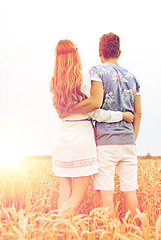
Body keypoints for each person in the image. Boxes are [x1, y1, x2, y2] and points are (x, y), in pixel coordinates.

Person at [50, 39, 134, 214]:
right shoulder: (85, 79)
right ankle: (56, 226)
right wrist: (122, 115)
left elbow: (62, 112)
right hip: (81, 139)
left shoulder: (54, 82)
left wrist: (70, 109)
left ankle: (58, 232)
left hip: (62, 138)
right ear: (76, 55)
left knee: (64, 193)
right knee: (76, 198)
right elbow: (96, 111)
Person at [70, 33, 141, 217]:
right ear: (119, 52)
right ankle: (141, 232)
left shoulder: (97, 71)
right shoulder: (133, 78)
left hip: (106, 143)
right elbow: (138, 113)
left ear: (100, 52)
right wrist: (131, 139)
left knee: (106, 194)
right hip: (128, 141)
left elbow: (95, 102)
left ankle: (111, 233)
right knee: (130, 191)